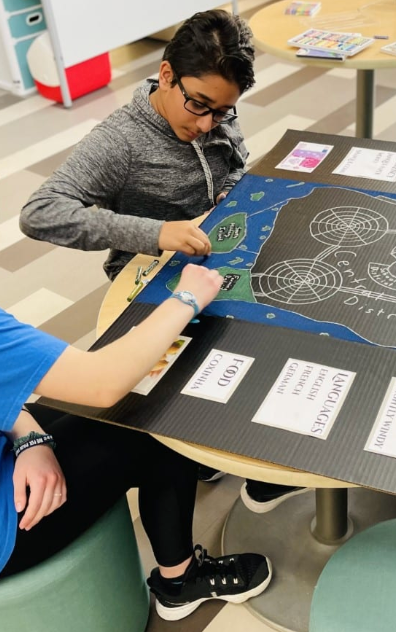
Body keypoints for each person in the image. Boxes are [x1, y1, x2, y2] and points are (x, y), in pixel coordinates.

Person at [0, 85, 271, 621]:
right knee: (158, 422)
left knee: (124, 403)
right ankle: (180, 582)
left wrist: (29, 434)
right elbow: (102, 382)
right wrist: (187, 297)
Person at [19, 9, 306, 511]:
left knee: (289, 321)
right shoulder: (121, 141)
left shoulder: (215, 106)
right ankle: (230, 458)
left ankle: (245, 459)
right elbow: (39, 213)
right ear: (166, 74)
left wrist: (231, 193)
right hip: (152, 282)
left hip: (217, 257)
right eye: (199, 106)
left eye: (222, 112)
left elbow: (234, 164)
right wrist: (155, 233)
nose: (207, 123)